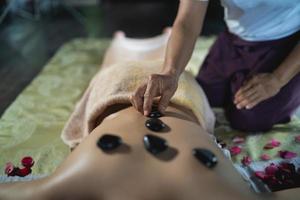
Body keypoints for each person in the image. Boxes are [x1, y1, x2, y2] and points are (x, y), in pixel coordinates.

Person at [1, 30, 298, 200]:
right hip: (179, 91)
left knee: (117, 61)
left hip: (121, 88)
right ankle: (154, 39)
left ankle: (125, 40)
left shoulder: (80, 180)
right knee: (145, 55)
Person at [131, 0, 300, 132]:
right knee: (204, 96)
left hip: (288, 41)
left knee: (249, 118)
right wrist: (170, 72)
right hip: (234, 38)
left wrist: (278, 79)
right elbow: (188, 20)